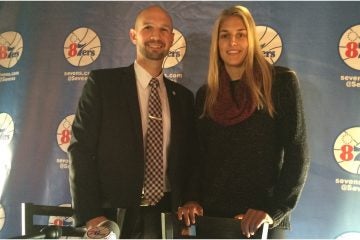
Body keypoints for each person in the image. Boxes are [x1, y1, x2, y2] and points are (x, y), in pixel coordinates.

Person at [178, 5, 310, 239]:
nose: (233, 42)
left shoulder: (280, 83)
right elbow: (197, 156)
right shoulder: (206, 95)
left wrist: (274, 210)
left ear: (251, 40)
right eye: (225, 35)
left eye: (241, 34)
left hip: (262, 220)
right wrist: (192, 198)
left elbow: (297, 153)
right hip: (214, 219)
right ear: (217, 44)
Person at [68, 5, 196, 238]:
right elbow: (80, 151)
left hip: (168, 218)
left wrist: (188, 202)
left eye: (164, 30)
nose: (156, 36)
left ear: (171, 38)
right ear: (133, 35)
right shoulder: (103, 85)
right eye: (147, 28)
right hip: (113, 219)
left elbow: (189, 160)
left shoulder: (184, 98)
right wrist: (91, 215)